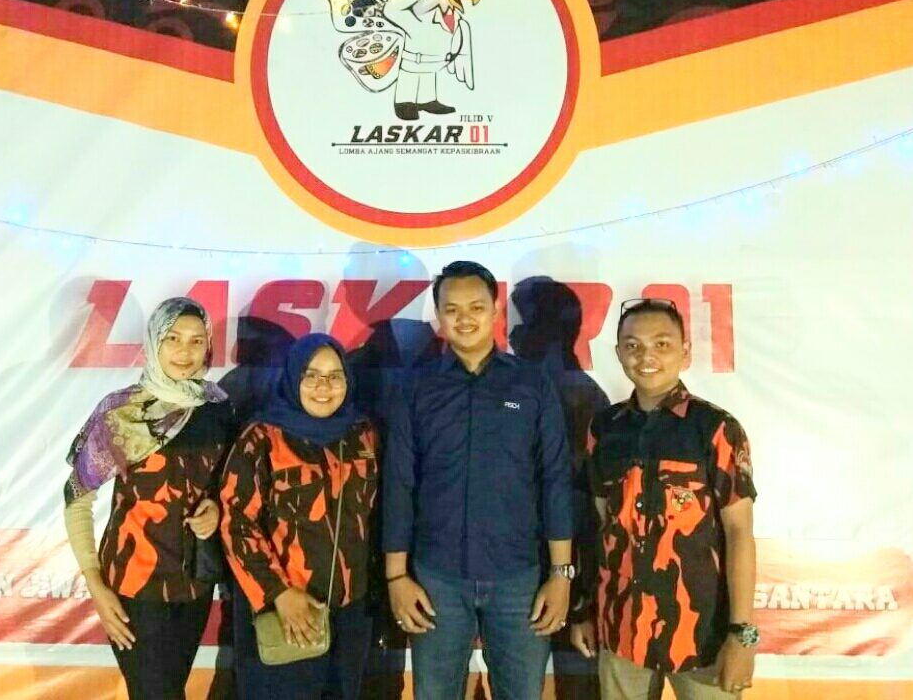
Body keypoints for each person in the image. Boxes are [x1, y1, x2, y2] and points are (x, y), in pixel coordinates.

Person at [383, 260, 574, 700]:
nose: (464, 318)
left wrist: (561, 574)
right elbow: (399, 483)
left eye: (476, 306)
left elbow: (555, 480)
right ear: (438, 315)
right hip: (436, 578)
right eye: (451, 309)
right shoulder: (416, 388)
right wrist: (396, 577)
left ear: (495, 310)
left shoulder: (532, 384)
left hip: (519, 577)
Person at [570, 298, 758, 698]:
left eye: (662, 344)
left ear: (685, 352)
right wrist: (584, 608)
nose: (646, 357)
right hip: (621, 629)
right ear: (618, 353)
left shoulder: (716, 429)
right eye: (633, 346)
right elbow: (597, 528)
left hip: (702, 634)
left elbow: (739, 533)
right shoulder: (605, 429)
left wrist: (742, 634)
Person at [63, 297, 235, 700]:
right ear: (154, 342)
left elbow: (228, 485)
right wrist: (95, 585)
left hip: (194, 584)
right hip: (134, 585)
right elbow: (77, 500)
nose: (184, 351)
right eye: (173, 338)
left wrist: (215, 508)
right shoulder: (121, 412)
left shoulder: (218, 408)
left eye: (196, 340)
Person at [220, 333, 378, 700]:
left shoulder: (363, 435)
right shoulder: (262, 437)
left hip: (349, 613)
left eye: (335, 376)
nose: (324, 386)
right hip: (284, 609)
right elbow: (236, 522)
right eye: (312, 375)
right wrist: (279, 593)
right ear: (293, 378)